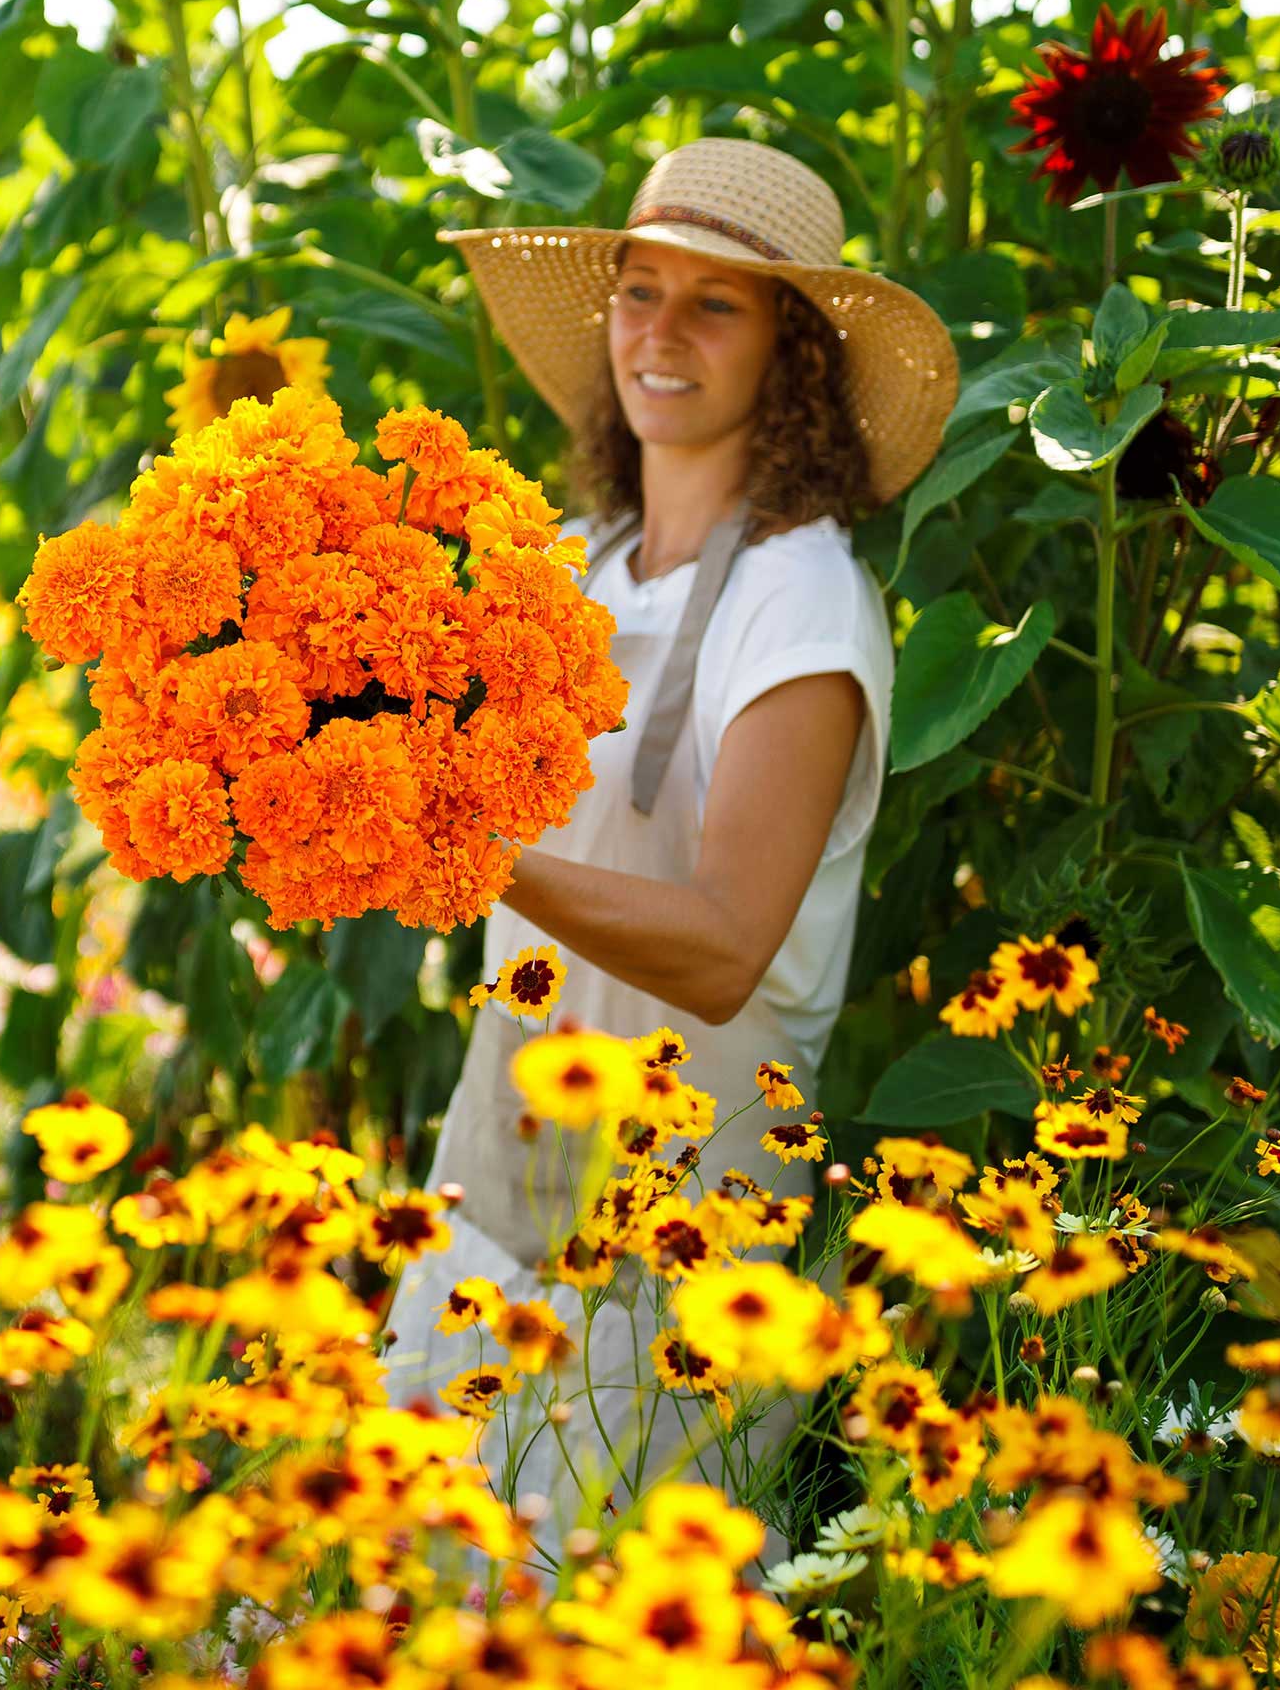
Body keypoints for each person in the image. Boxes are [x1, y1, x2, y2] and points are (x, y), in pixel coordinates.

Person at [380, 136, 961, 1562]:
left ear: (796, 352)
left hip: (689, 1234)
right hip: (499, 1176)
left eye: (717, 304)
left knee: (598, 1627)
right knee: (400, 1612)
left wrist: (475, 851)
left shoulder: (803, 606)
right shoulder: (575, 565)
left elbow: (723, 951)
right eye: (640, 291)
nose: (659, 333)